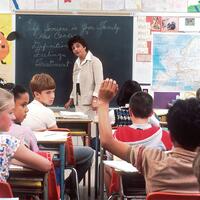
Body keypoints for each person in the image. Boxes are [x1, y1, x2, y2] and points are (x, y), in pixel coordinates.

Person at [98, 78, 200, 194]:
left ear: (171, 134)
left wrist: (103, 102)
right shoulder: (161, 137)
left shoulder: (152, 159)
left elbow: (107, 141)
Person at [22, 73, 94, 199]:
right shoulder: (47, 112)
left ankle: (65, 186)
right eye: (48, 92)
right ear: (36, 94)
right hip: (51, 154)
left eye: (53, 92)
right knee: (89, 152)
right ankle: (69, 186)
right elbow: (58, 139)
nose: (52, 96)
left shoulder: (25, 108)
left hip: (32, 153)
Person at [105, 91, 172, 196]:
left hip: (124, 185)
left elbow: (110, 158)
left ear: (130, 112)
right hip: (154, 186)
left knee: (105, 166)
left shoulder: (118, 134)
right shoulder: (163, 135)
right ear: (151, 113)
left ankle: (112, 196)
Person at [0, 88, 51, 182]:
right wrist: (11, 158)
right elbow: (46, 165)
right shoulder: (7, 142)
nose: (13, 117)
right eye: (10, 112)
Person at [64, 35, 103, 120]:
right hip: (78, 104)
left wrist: (95, 99)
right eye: (73, 48)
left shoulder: (95, 61)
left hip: (90, 104)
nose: (76, 49)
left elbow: (99, 83)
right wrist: (71, 100)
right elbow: (76, 83)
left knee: (90, 129)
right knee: (81, 128)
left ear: (84, 46)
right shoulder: (76, 63)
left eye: (78, 46)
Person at [2, 84, 39, 152]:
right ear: (9, 105)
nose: (27, 109)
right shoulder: (24, 131)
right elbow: (37, 154)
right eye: (23, 105)